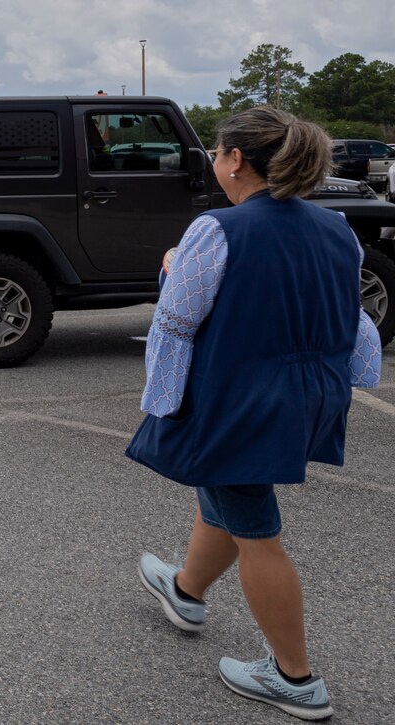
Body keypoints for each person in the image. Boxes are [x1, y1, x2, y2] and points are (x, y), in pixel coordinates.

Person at [126, 106, 382, 721]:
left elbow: (177, 322)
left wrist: (162, 402)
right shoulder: (337, 228)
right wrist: (355, 380)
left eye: (218, 152)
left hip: (239, 400)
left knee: (257, 531)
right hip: (311, 392)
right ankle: (185, 589)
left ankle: (296, 679)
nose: (216, 162)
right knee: (229, 492)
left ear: (236, 159)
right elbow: (352, 320)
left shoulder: (217, 229)